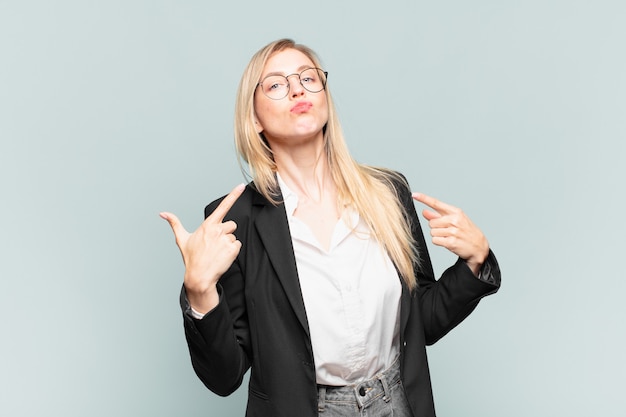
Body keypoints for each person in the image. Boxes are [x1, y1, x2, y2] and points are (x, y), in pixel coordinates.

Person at [160, 38, 501, 417]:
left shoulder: (388, 194)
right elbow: (224, 377)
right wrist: (199, 292)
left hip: (398, 403)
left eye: (308, 78)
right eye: (276, 84)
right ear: (254, 118)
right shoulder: (234, 221)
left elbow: (419, 323)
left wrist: (475, 262)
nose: (296, 89)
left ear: (324, 96)